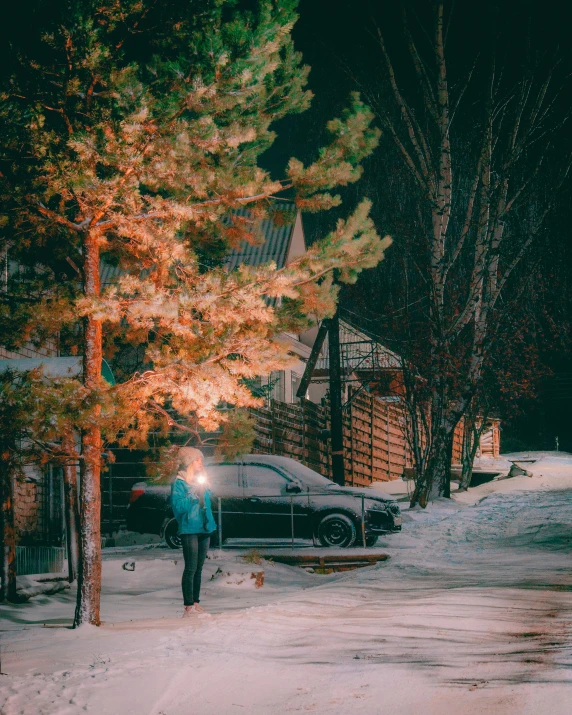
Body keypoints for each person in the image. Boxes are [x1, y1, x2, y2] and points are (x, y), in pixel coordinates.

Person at [170, 447, 216, 617]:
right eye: (197, 459)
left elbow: (208, 505)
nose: (200, 462)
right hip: (189, 529)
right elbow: (178, 507)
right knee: (190, 568)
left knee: (199, 568)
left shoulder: (201, 480)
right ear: (189, 462)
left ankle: (196, 603)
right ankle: (188, 607)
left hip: (204, 528)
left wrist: (205, 490)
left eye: (201, 460)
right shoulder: (180, 482)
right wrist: (193, 494)